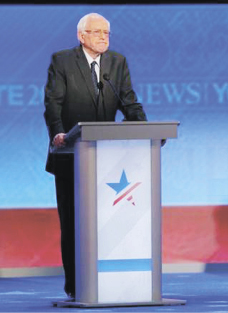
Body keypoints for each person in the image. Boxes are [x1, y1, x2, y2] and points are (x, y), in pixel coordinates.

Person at [43, 12, 147, 299]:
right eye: (98, 32)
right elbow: (53, 103)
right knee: (74, 223)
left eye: (107, 33)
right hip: (71, 156)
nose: (104, 37)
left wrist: (143, 125)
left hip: (110, 159)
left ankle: (112, 282)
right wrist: (58, 133)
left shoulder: (117, 62)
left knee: (109, 221)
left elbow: (128, 100)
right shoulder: (62, 61)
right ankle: (76, 286)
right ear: (82, 35)